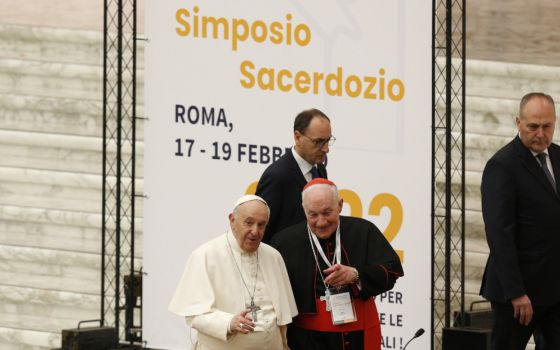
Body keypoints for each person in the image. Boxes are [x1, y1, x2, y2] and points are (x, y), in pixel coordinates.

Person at [270, 178, 403, 350]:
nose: (321, 221)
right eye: (313, 214)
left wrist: (356, 275)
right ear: (304, 210)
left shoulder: (364, 230)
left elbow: (392, 270)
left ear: (340, 205)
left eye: (327, 213)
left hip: (359, 336)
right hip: (306, 340)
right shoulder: (284, 242)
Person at [480, 92, 560, 350]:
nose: (540, 134)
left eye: (547, 126)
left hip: (555, 289)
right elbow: (499, 234)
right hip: (518, 294)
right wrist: (516, 293)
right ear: (518, 123)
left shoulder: (558, 156)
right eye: (533, 126)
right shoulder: (501, 166)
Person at [169, 195, 298, 350]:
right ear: (232, 220)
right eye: (249, 223)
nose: (255, 231)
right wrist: (228, 322)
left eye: (261, 225)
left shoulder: (273, 256)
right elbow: (194, 314)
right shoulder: (205, 255)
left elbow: (283, 317)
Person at [256, 108, 334, 243]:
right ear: (298, 137)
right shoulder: (277, 176)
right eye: (319, 142)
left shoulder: (320, 169)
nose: (326, 148)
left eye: (328, 141)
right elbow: (261, 229)